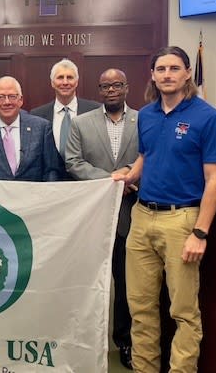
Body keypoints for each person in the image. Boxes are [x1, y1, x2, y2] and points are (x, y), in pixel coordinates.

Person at [113, 46, 216, 372]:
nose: (167, 74)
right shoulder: (146, 115)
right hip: (142, 217)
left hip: (183, 221)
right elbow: (147, 155)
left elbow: (215, 180)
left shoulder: (208, 117)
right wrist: (131, 174)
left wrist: (200, 233)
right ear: (152, 75)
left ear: (187, 73)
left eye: (174, 68)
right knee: (141, 308)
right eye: (161, 69)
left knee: (184, 312)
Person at [65, 68, 138, 370]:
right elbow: (73, 161)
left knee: (126, 284)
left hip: (131, 212)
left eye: (117, 85)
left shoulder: (144, 120)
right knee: (83, 282)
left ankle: (123, 341)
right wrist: (112, 179)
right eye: (105, 86)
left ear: (126, 88)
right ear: (98, 90)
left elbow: (152, 154)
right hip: (92, 214)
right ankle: (77, 340)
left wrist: (130, 176)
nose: (111, 90)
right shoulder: (81, 123)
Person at [0, 76, 64, 181]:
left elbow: (51, 171)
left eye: (12, 96)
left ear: (20, 100)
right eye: (1, 97)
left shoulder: (41, 128)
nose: (7, 102)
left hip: (33, 196)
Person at [30, 58, 100, 157]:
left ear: (76, 82)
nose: (65, 82)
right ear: (52, 83)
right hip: (51, 172)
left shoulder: (95, 110)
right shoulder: (37, 115)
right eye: (60, 77)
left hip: (86, 171)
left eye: (70, 77)